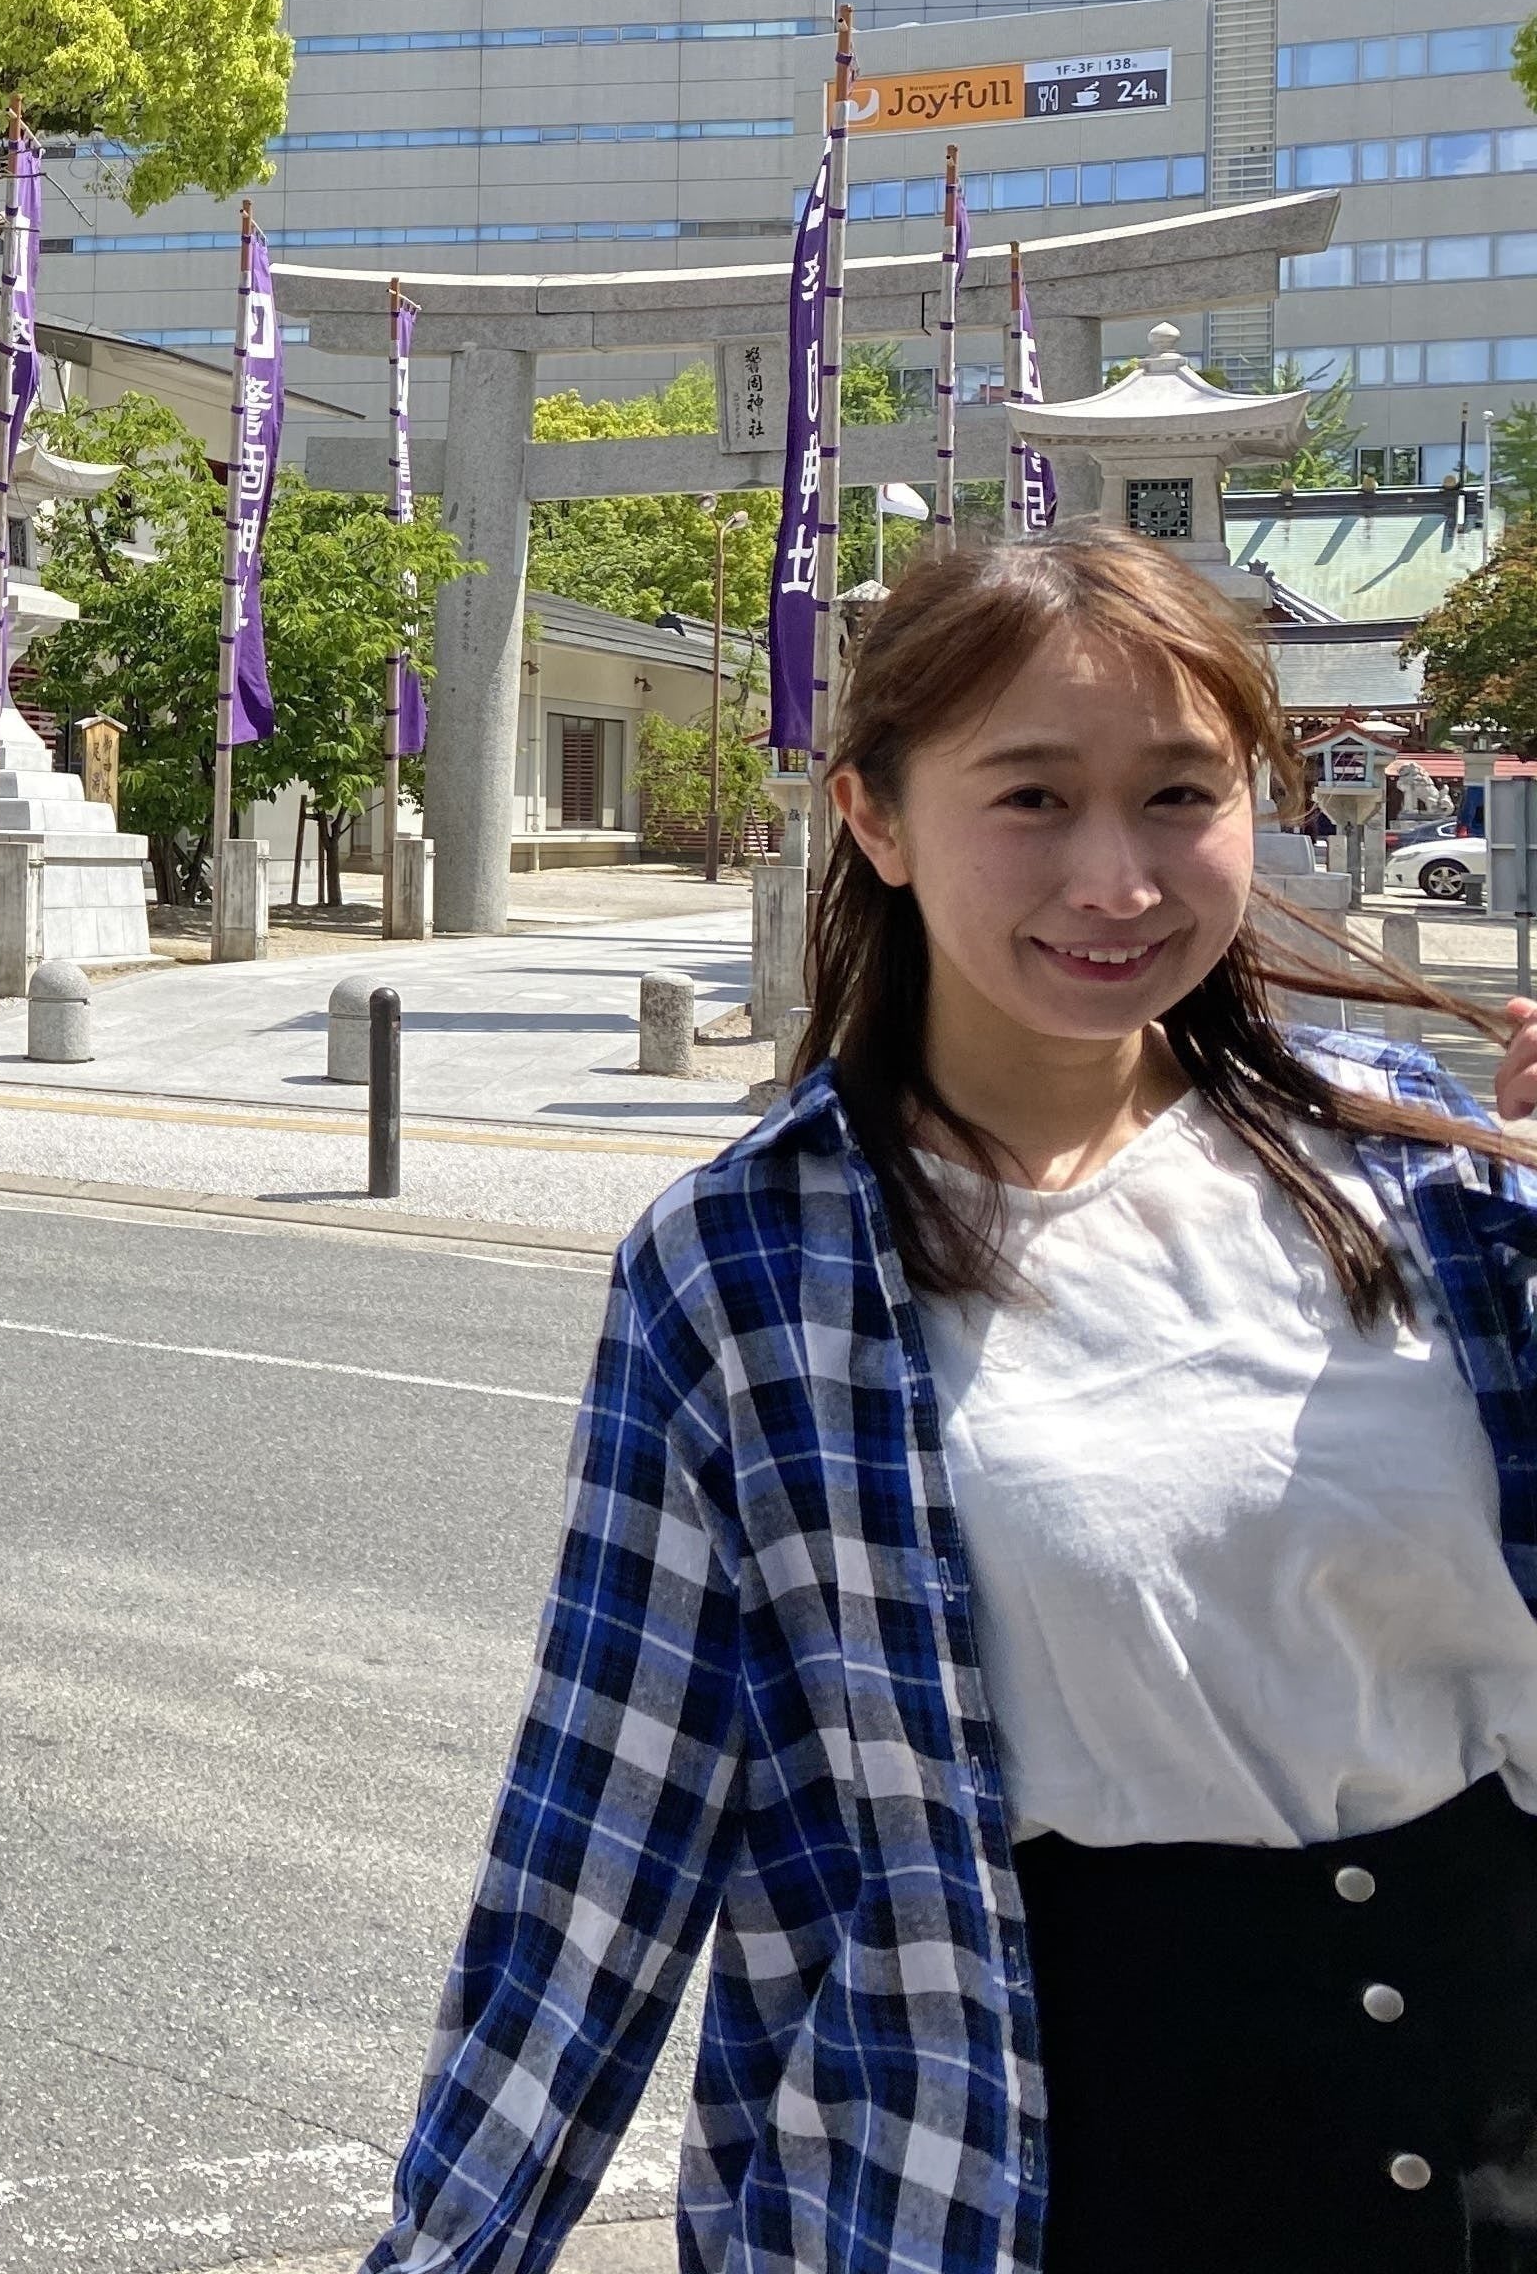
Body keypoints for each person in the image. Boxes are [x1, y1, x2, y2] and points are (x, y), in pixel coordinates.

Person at [366, 526, 1537, 2273]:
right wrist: (454, 2248)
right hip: (1026, 2151)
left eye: (1179, 795)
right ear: (876, 818)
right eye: (1032, 799)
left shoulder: (1427, 1172)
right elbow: (605, 1829)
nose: (1116, 879)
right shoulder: (753, 1262)